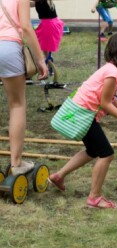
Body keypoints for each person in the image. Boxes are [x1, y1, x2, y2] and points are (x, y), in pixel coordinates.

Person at [47, 31, 117, 209]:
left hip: (83, 112)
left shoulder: (113, 70)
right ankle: (94, 198)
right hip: (83, 114)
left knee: (92, 150)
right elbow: (105, 104)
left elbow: (110, 97)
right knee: (106, 154)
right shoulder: (112, 73)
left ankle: (58, 176)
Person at [0, 0, 48, 176]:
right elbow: (27, 27)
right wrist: (41, 60)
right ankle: (17, 163)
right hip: (7, 47)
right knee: (17, 105)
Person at [29, 0, 64, 75]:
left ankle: (47, 63)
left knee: (39, 45)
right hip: (51, 23)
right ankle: (48, 62)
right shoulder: (43, 2)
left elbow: (28, 3)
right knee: (44, 47)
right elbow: (29, 4)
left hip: (48, 25)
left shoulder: (41, 1)